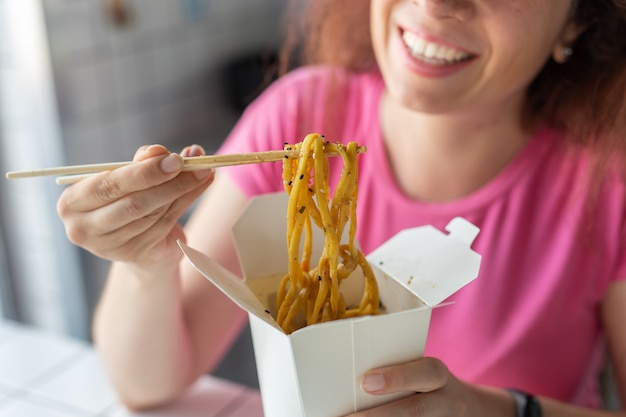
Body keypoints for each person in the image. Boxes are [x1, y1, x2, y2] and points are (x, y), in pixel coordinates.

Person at [56, 0, 626, 415]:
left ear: (577, 18)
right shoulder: (299, 117)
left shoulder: (610, 181)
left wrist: (494, 411)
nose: (436, 5)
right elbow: (147, 385)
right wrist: (147, 261)